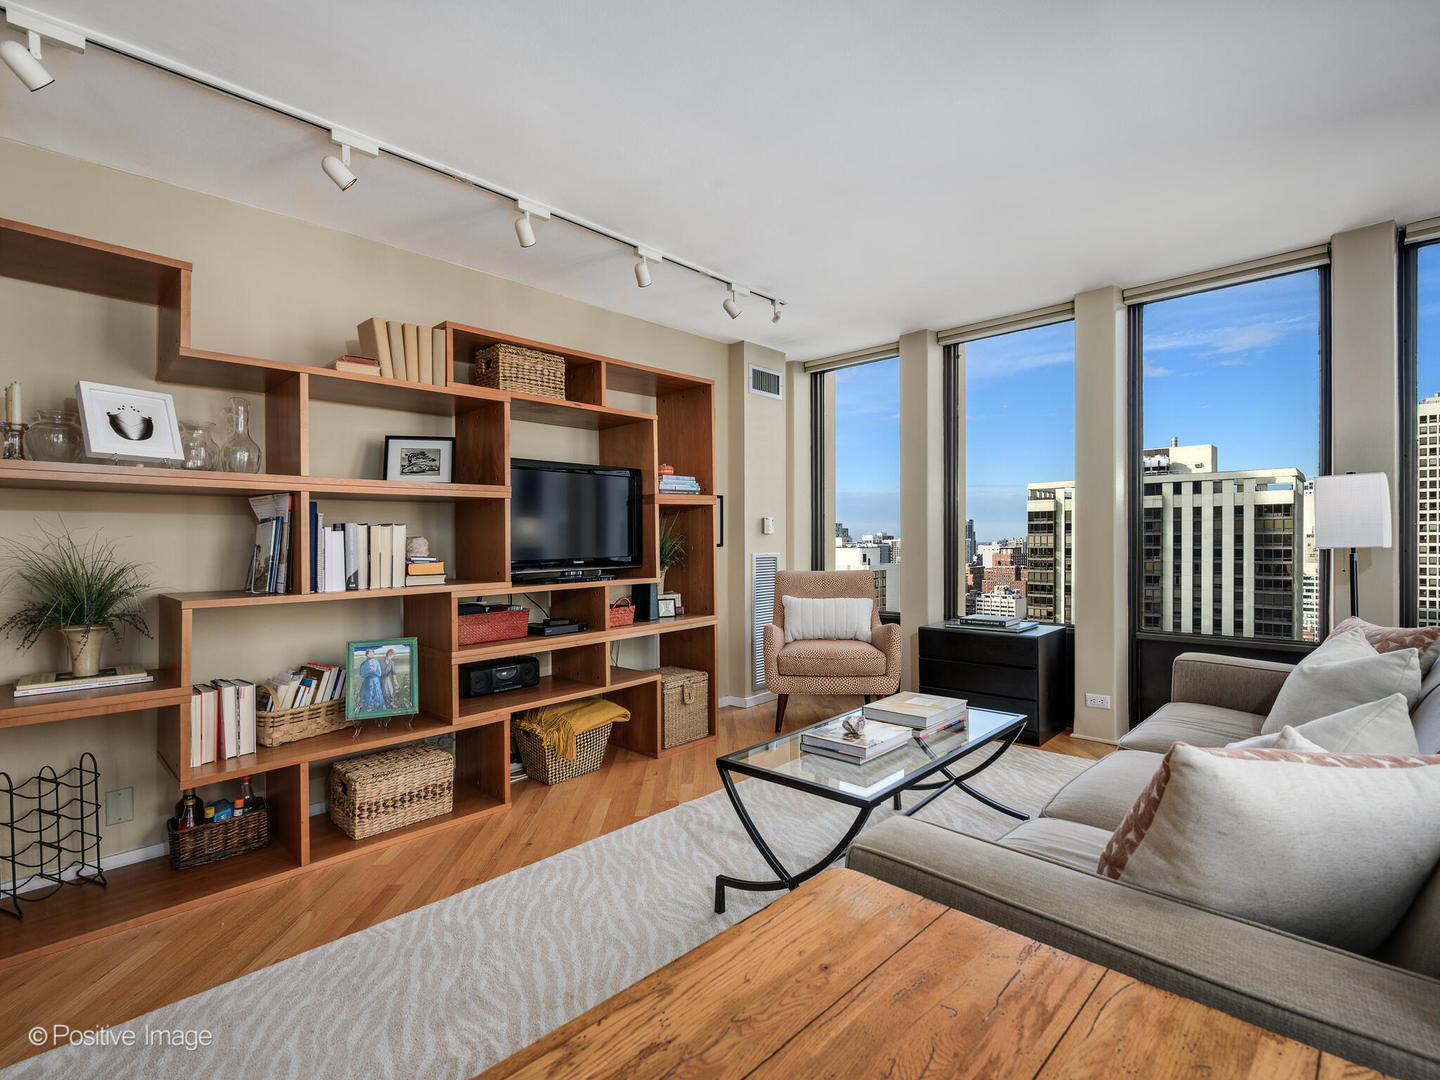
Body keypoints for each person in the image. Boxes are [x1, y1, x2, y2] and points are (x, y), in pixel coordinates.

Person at [356, 649, 384, 713]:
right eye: (369, 653)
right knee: (367, 696)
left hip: (376, 682)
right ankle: (368, 709)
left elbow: (379, 674)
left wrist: (374, 671)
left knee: (377, 695)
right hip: (367, 682)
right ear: (367, 655)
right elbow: (362, 675)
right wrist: (369, 671)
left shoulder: (376, 662)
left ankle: (378, 709)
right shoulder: (363, 664)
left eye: (372, 653)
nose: (371, 655)